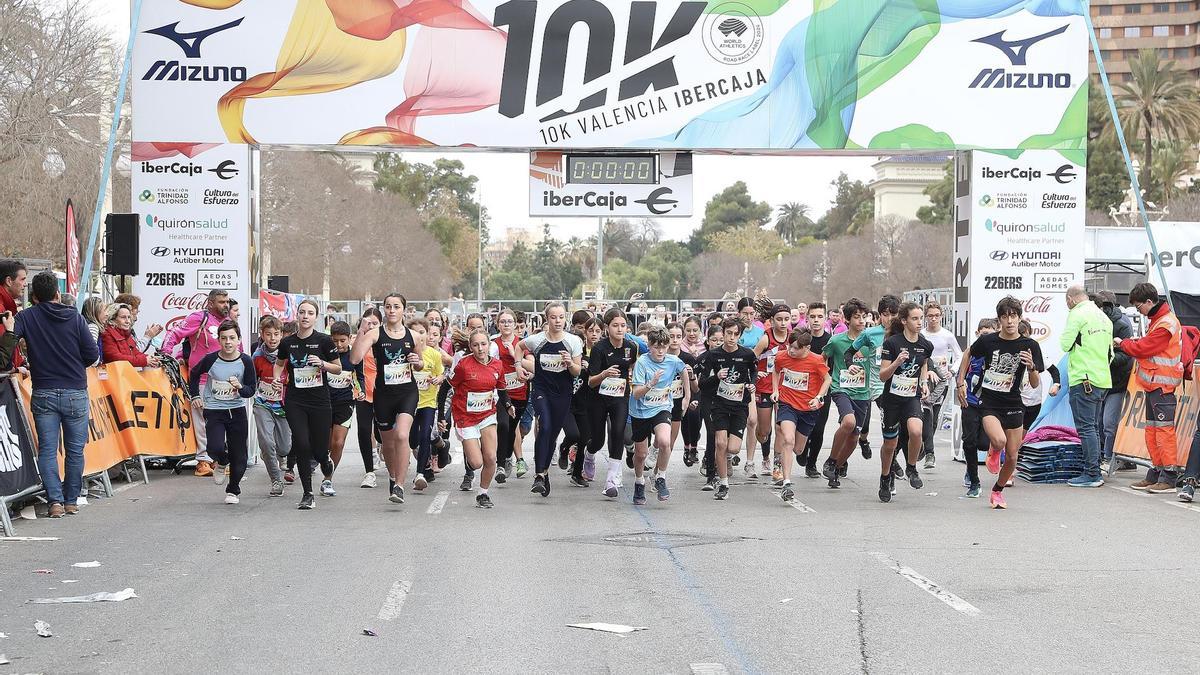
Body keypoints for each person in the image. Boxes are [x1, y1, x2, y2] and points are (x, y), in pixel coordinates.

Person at [9, 272, 97, 518]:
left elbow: (11, 341)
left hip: (44, 390)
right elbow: (92, 354)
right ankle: (71, 501)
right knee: (75, 450)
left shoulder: (26, 316)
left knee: (47, 450)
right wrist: (73, 364)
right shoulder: (75, 318)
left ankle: (54, 502)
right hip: (75, 390)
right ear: (58, 293)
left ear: (34, 297)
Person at [957, 297, 1044, 509]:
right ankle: (994, 450)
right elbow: (968, 353)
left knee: (1012, 457)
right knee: (999, 440)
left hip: (1014, 403)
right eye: (1005, 317)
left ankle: (997, 491)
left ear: (1019, 318)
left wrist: (1032, 367)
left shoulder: (1030, 345)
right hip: (989, 402)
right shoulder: (988, 341)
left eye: (1013, 316)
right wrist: (960, 382)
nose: (1009, 321)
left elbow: (1034, 383)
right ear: (999, 320)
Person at [350, 294, 422, 504]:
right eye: (388, 307)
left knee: (402, 435)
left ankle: (399, 485)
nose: (392, 310)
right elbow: (354, 359)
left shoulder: (413, 336)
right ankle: (392, 477)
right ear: (384, 310)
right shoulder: (375, 334)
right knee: (388, 444)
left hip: (407, 392)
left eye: (396, 307)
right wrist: (361, 332)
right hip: (383, 395)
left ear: (404, 310)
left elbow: (420, 365)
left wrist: (416, 361)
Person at [1115, 282, 1185, 493]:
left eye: (1139, 307)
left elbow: (1144, 348)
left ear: (1148, 301)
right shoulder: (1160, 321)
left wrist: (1123, 344)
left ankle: (1168, 477)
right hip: (1155, 385)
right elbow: (1147, 346)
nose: (1139, 311)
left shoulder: (1165, 323)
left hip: (1162, 386)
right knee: (1154, 431)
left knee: (1163, 432)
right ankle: (1157, 472)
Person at [276, 299, 342, 510]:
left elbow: (338, 368)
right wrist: (277, 378)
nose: (305, 316)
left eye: (310, 313)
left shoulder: (324, 341)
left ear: (316, 317)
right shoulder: (287, 342)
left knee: (320, 449)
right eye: (302, 312)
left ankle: (325, 462)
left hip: (320, 401)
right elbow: (279, 364)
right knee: (302, 444)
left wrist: (322, 364)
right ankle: (308, 493)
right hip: (295, 400)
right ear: (297, 315)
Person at [162, 289, 232, 477]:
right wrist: (166, 353)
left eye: (227, 301)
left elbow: (237, 348)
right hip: (201, 379)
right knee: (202, 420)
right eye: (222, 302)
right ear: (210, 303)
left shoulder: (228, 322)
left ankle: (217, 459)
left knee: (221, 420)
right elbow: (175, 333)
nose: (226, 305)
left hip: (224, 380)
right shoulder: (198, 318)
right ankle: (203, 461)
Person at [519, 302, 583, 498]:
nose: (557, 321)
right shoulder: (537, 340)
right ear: (547, 319)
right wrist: (517, 366)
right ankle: (539, 475)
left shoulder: (573, 341)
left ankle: (544, 472)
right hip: (541, 390)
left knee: (552, 435)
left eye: (561, 317)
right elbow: (519, 347)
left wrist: (569, 363)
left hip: (563, 393)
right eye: (553, 317)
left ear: (566, 318)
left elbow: (577, 371)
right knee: (544, 427)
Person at [188, 320, 256, 504]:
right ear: (218, 340)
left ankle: (233, 490)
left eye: (232, 338)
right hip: (214, 409)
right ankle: (222, 461)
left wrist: (240, 387)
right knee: (214, 447)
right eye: (224, 338)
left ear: (239, 339)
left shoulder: (245, 361)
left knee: (239, 453)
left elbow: (251, 390)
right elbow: (194, 374)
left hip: (236, 410)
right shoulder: (211, 359)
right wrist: (195, 395)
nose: (228, 342)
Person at [877, 302, 934, 502]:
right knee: (890, 444)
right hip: (891, 400)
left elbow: (923, 364)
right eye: (914, 318)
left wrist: (924, 382)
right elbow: (883, 376)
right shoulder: (892, 343)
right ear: (904, 321)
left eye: (921, 318)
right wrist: (897, 362)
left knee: (916, 431)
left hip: (911, 397)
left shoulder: (925, 345)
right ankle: (885, 477)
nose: (919, 322)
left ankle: (911, 468)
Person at [1059, 285, 1113, 488]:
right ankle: (1094, 469)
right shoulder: (1103, 317)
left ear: (1071, 299)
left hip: (1083, 378)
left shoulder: (1077, 314)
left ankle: (1092, 473)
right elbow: (1110, 352)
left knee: (1086, 428)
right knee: (1093, 427)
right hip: (1102, 378)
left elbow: (1065, 344)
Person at [700, 317, 757, 500]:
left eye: (735, 334)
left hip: (740, 405)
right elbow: (702, 383)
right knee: (720, 443)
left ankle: (727, 459)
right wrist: (716, 376)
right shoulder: (713, 355)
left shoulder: (747, 354)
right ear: (723, 333)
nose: (732, 337)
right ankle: (723, 483)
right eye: (728, 333)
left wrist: (752, 384)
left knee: (732, 448)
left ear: (740, 335)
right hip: (719, 405)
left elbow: (753, 371)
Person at [629, 326, 688, 504]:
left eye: (664, 347)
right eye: (656, 347)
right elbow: (636, 394)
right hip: (641, 411)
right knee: (641, 454)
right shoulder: (642, 363)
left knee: (664, 441)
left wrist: (687, 397)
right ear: (649, 346)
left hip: (662, 407)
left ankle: (660, 477)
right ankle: (639, 481)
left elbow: (684, 370)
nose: (661, 351)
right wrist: (651, 384)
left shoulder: (673, 360)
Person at [771, 328, 831, 503]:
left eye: (796, 348)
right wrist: (775, 390)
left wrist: (818, 397)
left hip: (808, 408)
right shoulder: (782, 356)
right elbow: (776, 370)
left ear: (807, 347)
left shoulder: (816, 360)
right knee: (788, 439)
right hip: (787, 404)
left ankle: (788, 458)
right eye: (790, 346)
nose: (791, 351)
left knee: (798, 449)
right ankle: (786, 483)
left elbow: (827, 379)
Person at [822, 299, 875, 489]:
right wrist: (825, 378)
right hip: (841, 388)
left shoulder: (871, 341)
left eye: (864, 317)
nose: (861, 320)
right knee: (848, 422)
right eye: (857, 317)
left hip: (863, 393)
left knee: (853, 437)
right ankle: (831, 460)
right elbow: (822, 359)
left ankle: (837, 467)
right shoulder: (837, 340)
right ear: (847, 319)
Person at [449, 328, 504, 508]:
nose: (480, 348)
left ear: (489, 345)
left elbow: (501, 389)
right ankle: (471, 454)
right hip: (465, 417)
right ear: (470, 347)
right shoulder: (463, 365)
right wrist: (443, 414)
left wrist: (508, 405)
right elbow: (449, 385)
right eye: (475, 345)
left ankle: (483, 493)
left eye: (483, 344)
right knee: (476, 462)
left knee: (491, 458)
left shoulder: (497, 365)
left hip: (487, 415)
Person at [587, 308, 639, 498]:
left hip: (620, 396)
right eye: (615, 325)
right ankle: (589, 455)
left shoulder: (631, 347)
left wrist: (633, 377)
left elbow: (633, 365)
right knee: (598, 439)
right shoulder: (599, 349)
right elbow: (591, 381)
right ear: (607, 328)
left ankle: (611, 479)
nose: (620, 329)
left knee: (618, 432)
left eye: (623, 325)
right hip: (598, 398)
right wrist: (604, 374)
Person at [956, 319, 999, 498]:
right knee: (970, 441)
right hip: (971, 401)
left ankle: (993, 450)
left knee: (983, 443)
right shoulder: (971, 352)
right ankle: (974, 480)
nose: (986, 339)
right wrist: (960, 384)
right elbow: (959, 370)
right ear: (977, 334)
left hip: (991, 404)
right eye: (983, 334)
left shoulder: (998, 353)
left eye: (990, 334)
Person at [252, 315, 291, 497]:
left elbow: (295, 378)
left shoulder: (288, 355)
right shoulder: (257, 356)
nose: (272, 338)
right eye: (268, 334)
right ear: (262, 335)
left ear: (282, 334)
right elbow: (252, 379)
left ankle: (275, 453)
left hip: (284, 406)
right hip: (263, 403)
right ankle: (276, 480)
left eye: (276, 334)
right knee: (267, 443)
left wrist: (284, 384)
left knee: (284, 448)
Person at [919, 301, 961, 469]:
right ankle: (930, 453)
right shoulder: (921, 335)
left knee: (934, 418)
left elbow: (959, 355)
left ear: (941, 316)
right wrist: (928, 370)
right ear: (925, 317)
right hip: (925, 378)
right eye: (930, 316)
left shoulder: (947, 335)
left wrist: (953, 371)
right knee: (927, 415)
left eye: (937, 316)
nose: (934, 319)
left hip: (941, 381)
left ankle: (924, 446)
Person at [752, 304, 791, 481]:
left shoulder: (793, 338)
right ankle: (764, 450)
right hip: (765, 387)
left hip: (785, 388)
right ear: (772, 320)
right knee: (764, 432)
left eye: (786, 319)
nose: (783, 323)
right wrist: (756, 373)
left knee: (780, 428)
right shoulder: (765, 339)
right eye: (779, 319)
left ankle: (777, 465)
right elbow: (751, 359)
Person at [1096, 291, 1134, 471]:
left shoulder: (1121, 325)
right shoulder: (1095, 323)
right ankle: (1105, 457)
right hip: (1101, 380)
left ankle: (1109, 459)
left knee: (1109, 423)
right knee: (1099, 423)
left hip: (1117, 382)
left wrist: (1104, 359)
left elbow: (1127, 355)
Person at [322, 321, 358, 497]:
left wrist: (360, 391)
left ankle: (328, 478)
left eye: (342, 340)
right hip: (325, 402)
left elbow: (360, 376)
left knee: (338, 443)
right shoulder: (326, 354)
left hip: (346, 402)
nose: (339, 344)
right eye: (335, 341)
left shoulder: (354, 356)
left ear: (349, 338)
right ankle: (325, 463)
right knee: (327, 444)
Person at [410, 318, 445, 491]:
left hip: (428, 403)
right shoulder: (407, 354)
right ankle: (440, 443)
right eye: (414, 333)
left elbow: (441, 374)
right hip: (409, 403)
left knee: (425, 436)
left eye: (422, 332)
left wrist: (438, 379)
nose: (419, 336)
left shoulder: (434, 354)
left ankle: (420, 474)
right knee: (412, 441)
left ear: (427, 333)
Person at [800, 303, 832, 478]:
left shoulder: (831, 341)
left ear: (825, 318)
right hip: (802, 390)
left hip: (823, 390)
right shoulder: (803, 339)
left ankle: (811, 464)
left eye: (820, 316)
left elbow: (834, 367)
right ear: (807, 319)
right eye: (812, 317)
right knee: (805, 426)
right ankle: (802, 449)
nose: (816, 320)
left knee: (819, 428)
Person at [568, 318, 602, 486]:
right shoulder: (575, 351)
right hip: (569, 400)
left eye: (598, 331)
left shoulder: (601, 351)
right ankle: (563, 449)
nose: (594, 334)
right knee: (573, 434)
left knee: (585, 437)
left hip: (589, 402)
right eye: (591, 331)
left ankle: (577, 473)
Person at [353, 308, 382, 488]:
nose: (371, 327)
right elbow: (351, 361)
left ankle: (383, 448)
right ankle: (369, 472)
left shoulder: (384, 340)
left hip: (384, 392)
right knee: (364, 430)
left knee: (381, 433)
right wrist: (360, 334)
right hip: (362, 392)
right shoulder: (358, 341)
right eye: (367, 323)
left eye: (375, 323)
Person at [101, 303, 161, 367]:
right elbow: (115, 358)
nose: (128, 321)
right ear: (112, 319)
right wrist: (144, 360)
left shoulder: (126, 334)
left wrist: (150, 359)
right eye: (123, 317)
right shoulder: (107, 333)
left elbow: (135, 352)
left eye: (129, 317)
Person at [81, 297, 106, 362]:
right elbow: (91, 354)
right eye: (104, 310)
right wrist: (97, 362)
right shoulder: (93, 327)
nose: (106, 314)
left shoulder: (85, 324)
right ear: (96, 312)